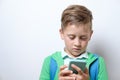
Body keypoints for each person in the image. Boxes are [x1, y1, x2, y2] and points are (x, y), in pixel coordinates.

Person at [39, 4, 108, 80]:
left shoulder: (98, 62)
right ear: (62, 33)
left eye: (83, 37)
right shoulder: (49, 61)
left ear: (90, 35)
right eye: (71, 37)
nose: (77, 44)